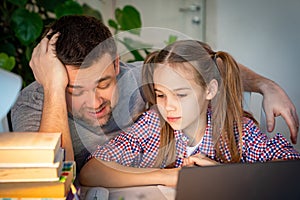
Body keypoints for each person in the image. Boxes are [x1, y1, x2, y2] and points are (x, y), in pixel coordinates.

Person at [11, 15, 299, 173]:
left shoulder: (138, 79)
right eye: (74, 90)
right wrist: (53, 88)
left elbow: (206, 67)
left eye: (102, 84)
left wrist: (265, 85)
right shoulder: (34, 102)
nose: (94, 102)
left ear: (115, 64)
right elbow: (50, 180)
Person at [79, 40, 300, 187]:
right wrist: (171, 177)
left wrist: (223, 176)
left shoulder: (237, 130)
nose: (169, 107)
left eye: (181, 95)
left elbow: (290, 172)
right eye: (161, 95)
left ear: (210, 90)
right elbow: (91, 171)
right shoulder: (154, 124)